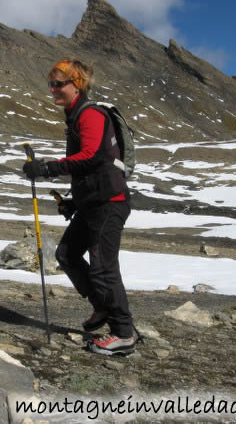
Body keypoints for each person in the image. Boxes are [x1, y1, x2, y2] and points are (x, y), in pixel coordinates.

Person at [22, 57, 137, 355]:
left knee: (103, 269)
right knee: (67, 253)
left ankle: (124, 333)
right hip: (92, 203)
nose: (53, 90)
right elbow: (90, 167)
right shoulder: (75, 116)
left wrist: (47, 168)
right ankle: (102, 308)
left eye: (59, 84)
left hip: (109, 204)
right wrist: (75, 200)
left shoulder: (91, 115)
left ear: (78, 84)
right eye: (51, 84)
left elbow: (92, 157)